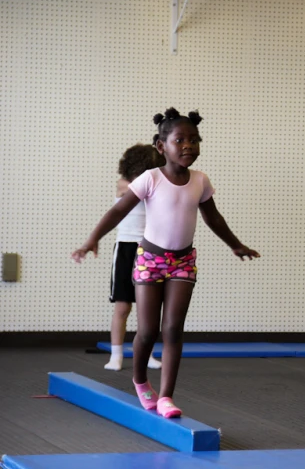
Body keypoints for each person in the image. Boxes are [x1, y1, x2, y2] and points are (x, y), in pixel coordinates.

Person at [72, 108, 259, 418]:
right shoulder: (150, 179)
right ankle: (141, 380)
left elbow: (213, 217)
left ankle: (167, 396)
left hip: (183, 262)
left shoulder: (200, 181)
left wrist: (235, 244)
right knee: (147, 330)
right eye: (180, 140)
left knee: (173, 329)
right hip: (149, 260)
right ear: (162, 146)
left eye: (194, 140)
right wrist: (93, 239)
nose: (188, 146)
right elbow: (118, 211)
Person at [105, 144, 165, 372]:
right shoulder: (124, 184)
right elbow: (132, 190)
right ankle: (116, 354)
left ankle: (146, 353)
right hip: (125, 248)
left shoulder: (155, 186)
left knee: (146, 308)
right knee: (122, 307)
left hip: (148, 248)